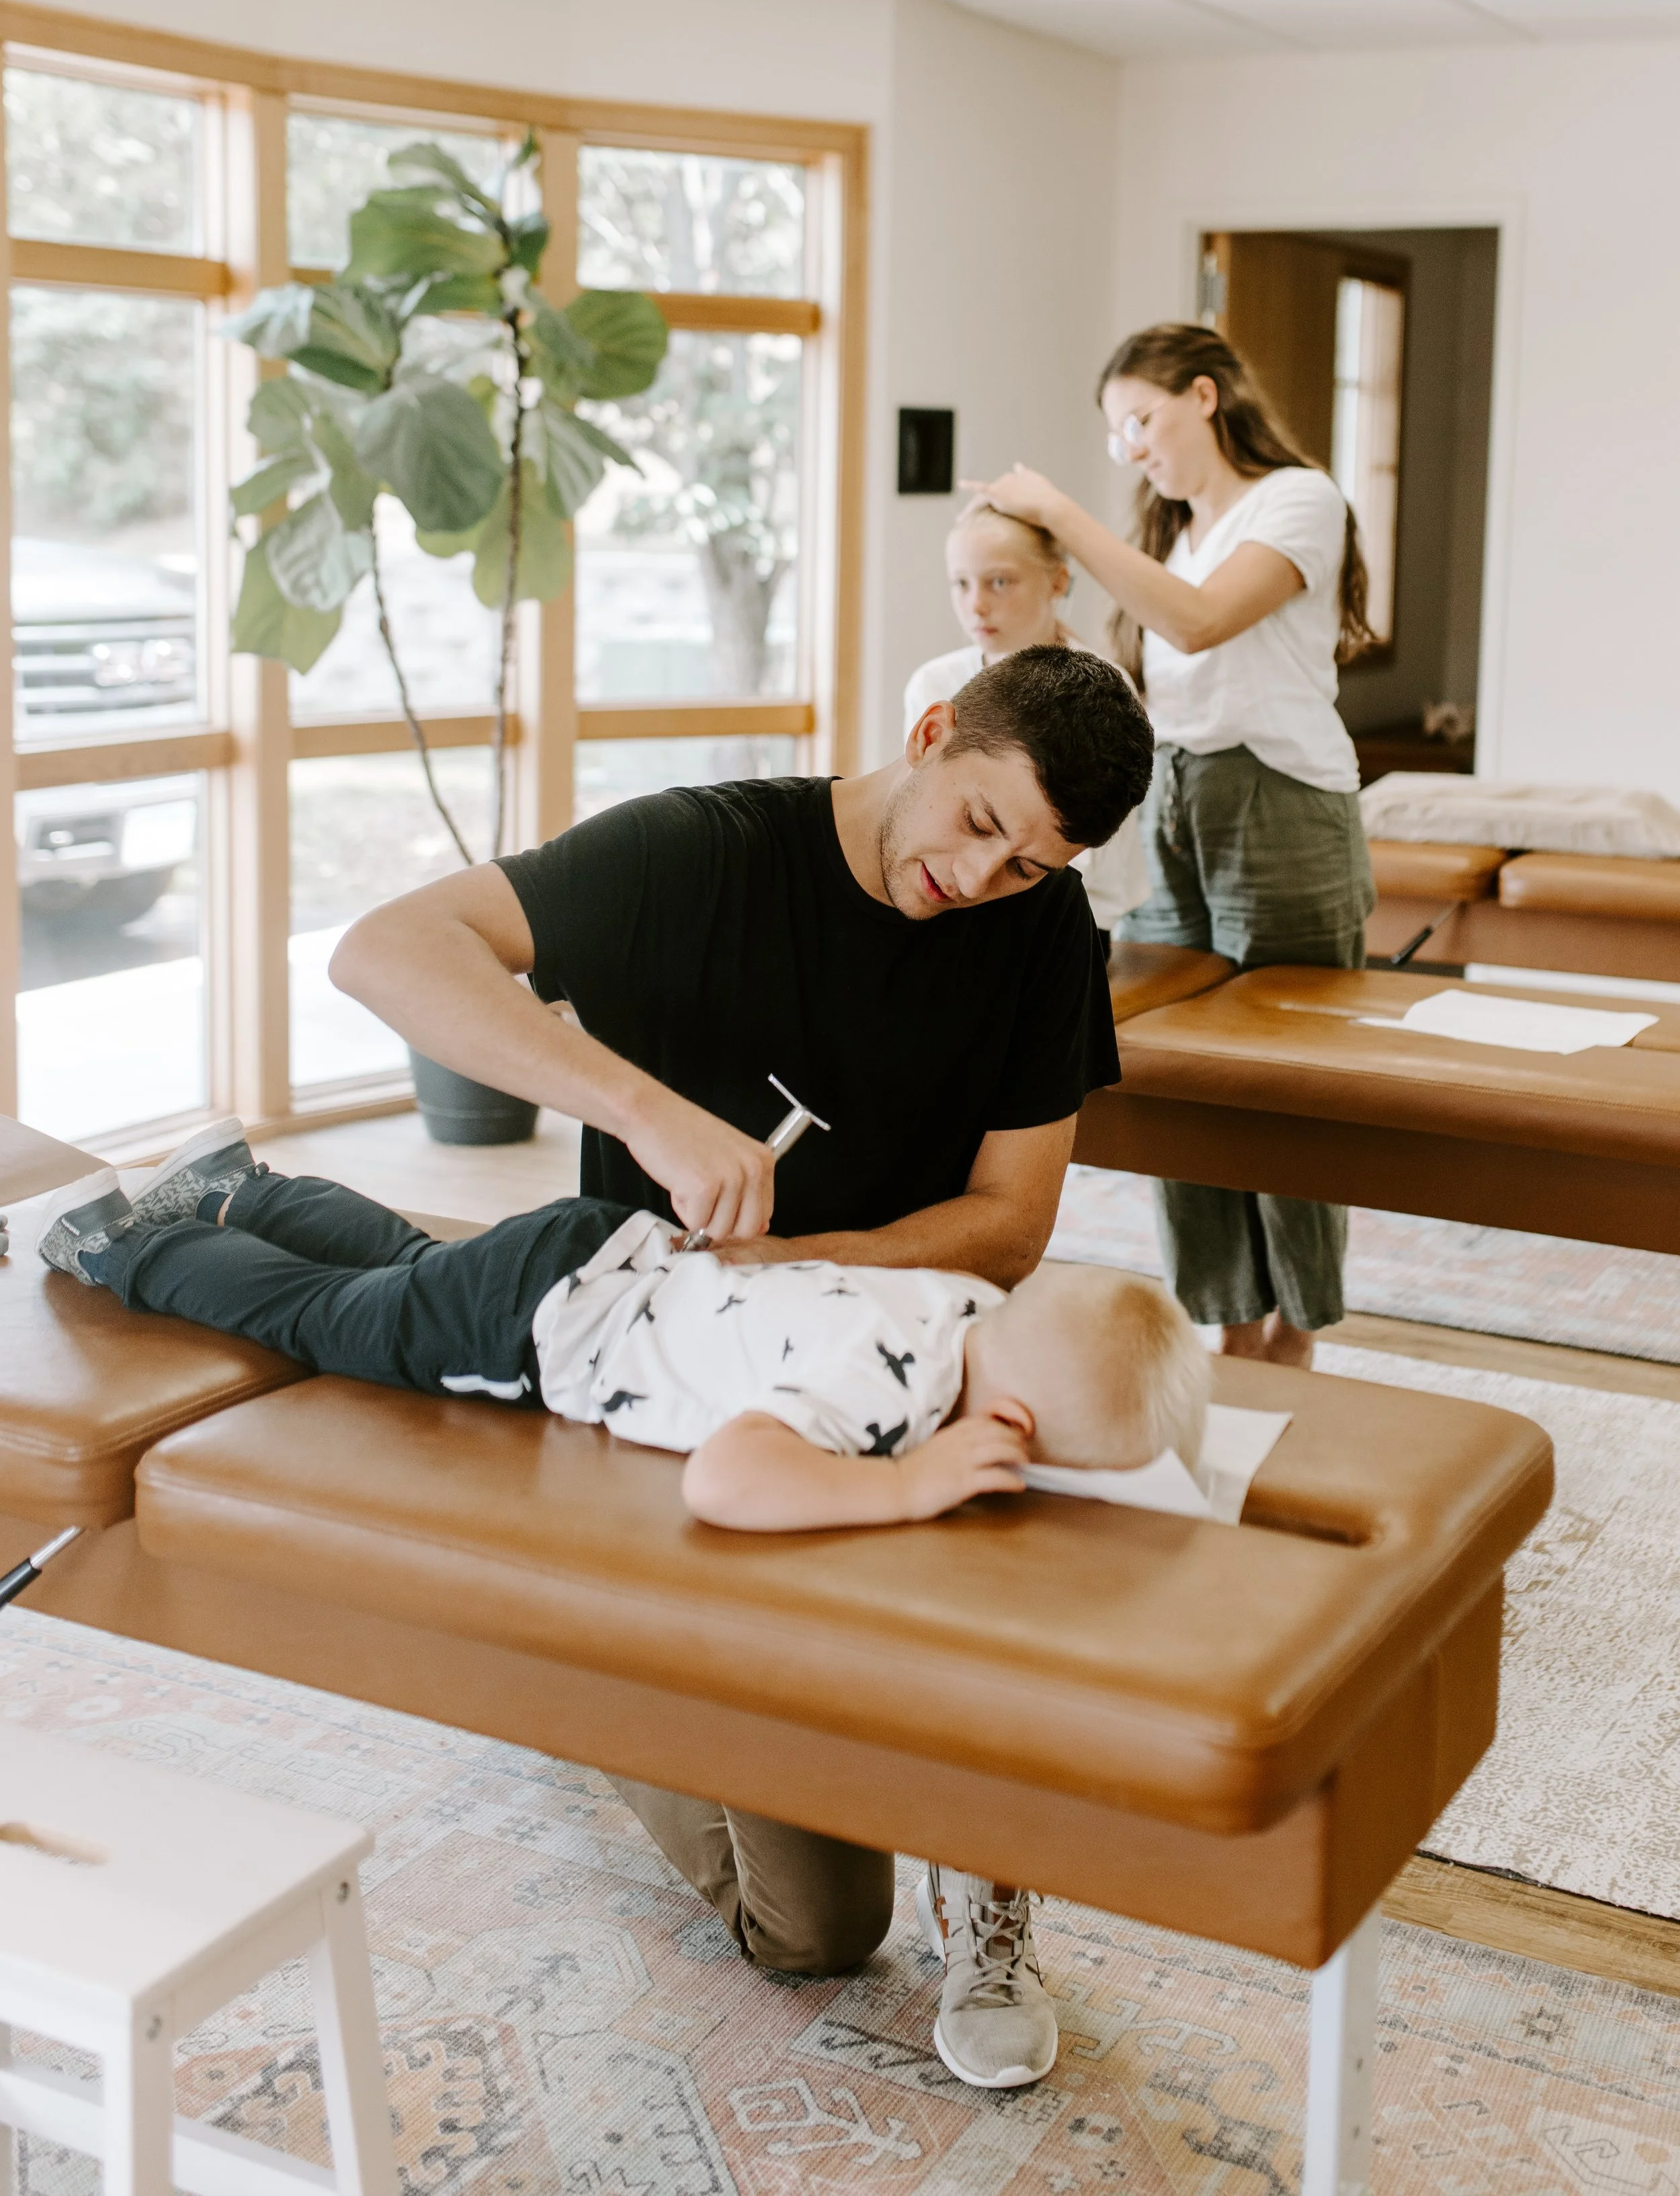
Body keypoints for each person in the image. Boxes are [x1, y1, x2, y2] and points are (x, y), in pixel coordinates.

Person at [319, 643, 1154, 2081]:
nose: (982, 878)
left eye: (1028, 862)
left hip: (899, 1384)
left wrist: (804, 1270)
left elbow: (1010, 1225)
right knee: (816, 1925)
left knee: (1021, 1562)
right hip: (679, 1397)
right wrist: (644, 1113)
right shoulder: (698, 851)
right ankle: (578, 1664)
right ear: (930, 726)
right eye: (974, 826)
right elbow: (380, 947)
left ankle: (988, 1870)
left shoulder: (1040, 927)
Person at [39, 1123, 1208, 2095]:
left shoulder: (960, 1304)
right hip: (549, 1331)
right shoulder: (890, 1393)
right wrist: (902, 1483)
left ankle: (252, 1186)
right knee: (340, 1318)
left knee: (402, 1267)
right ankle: (131, 1246)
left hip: (609, 1251)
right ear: (1002, 1427)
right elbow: (727, 1476)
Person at [968, 324, 1376, 1371]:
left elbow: (1197, 627)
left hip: (1278, 801)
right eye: (1116, 435)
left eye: (1139, 421)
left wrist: (1062, 511)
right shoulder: (1178, 533)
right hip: (1176, 797)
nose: (1131, 447)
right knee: (1182, 1073)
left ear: (1204, 396)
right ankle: (1227, 1317)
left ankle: (1295, 1329)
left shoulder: (1298, 499)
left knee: (1294, 1077)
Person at [902, 499, 1150, 936]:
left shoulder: (1103, 695)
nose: (976, 605)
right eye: (960, 584)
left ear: (1058, 581)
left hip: (1070, 920)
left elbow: (1085, 856)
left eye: (1000, 582)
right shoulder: (934, 683)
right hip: (958, 914)